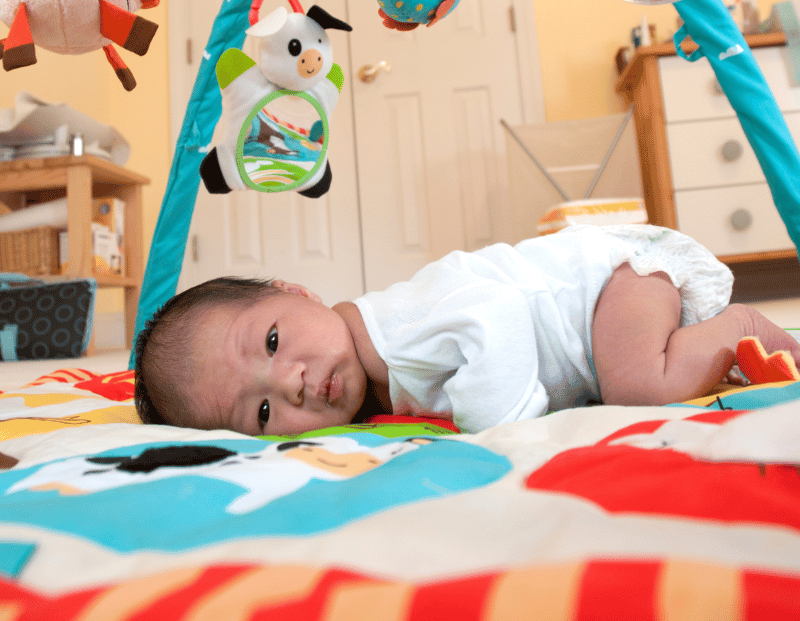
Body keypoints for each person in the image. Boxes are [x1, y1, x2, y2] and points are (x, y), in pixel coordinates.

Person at [134, 224, 800, 437]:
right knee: (642, 376)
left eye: (273, 342)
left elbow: (496, 313)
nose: (293, 383)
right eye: (260, 410)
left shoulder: (391, 329)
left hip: (607, 285)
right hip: (602, 316)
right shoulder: (371, 382)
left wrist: (503, 428)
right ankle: (724, 355)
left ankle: (738, 327)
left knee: (638, 384)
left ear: (296, 291)